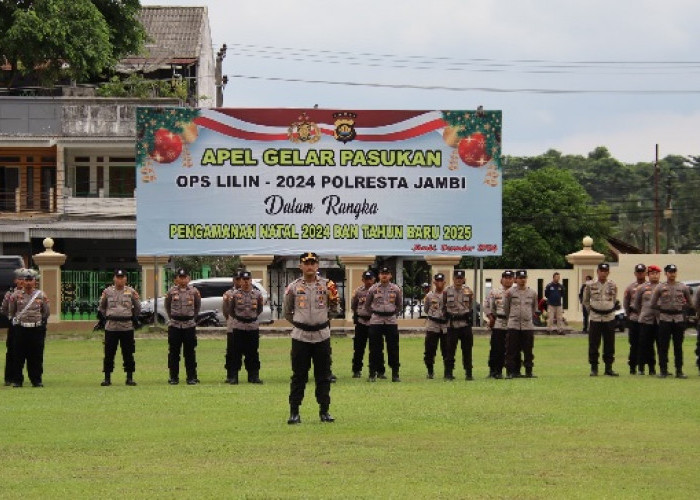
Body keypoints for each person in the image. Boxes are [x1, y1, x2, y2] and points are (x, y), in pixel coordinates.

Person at [284, 252, 339, 424]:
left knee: (323, 375)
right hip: (300, 337)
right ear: (300, 266)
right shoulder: (293, 287)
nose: (309, 266)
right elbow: (287, 312)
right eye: (306, 263)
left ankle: (324, 411)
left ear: (317, 266)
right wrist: (303, 323)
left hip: (322, 336)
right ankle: (294, 412)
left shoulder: (328, 286)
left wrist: (320, 322)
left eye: (312, 263)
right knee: (299, 375)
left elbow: (335, 308)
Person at [98, 269, 141, 386]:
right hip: (111, 327)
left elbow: (137, 307)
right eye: (118, 277)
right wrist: (109, 316)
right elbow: (102, 307)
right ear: (114, 278)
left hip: (126, 327)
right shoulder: (107, 292)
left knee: (128, 353)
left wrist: (132, 317)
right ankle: (107, 378)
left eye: (122, 277)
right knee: (109, 353)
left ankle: (129, 378)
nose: (120, 279)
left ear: (126, 279)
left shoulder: (131, 291)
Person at [7, 269, 49, 387]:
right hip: (21, 329)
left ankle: (36, 380)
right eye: (26, 280)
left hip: (36, 329)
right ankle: (17, 380)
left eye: (31, 280)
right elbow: (12, 311)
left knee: (36, 356)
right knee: (18, 355)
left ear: (35, 281)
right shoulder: (15, 295)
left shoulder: (41, 295)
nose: (29, 283)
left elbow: (46, 312)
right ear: (23, 282)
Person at [649, 264, 691, 378]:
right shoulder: (660, 287)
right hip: (665, 318)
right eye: (670, 272)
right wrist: (663, 309)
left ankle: (679, 370)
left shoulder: (683, 287)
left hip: (678, 319)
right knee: (663, 346)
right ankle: (663, 370)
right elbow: (652, 303)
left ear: (676, 273)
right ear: (665, 273)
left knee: (678, 346)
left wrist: (681, 308)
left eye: (674, 272)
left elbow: (690, 303)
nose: (672, 274)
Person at [223, 270, 264, 385]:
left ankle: (253, 376)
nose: (246, 282)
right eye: (244, 280)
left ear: (251, 280)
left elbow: (259, 309)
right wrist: (240, 319)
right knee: (236, 353)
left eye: (248, 280)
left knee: (253, 352)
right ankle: (234, 377)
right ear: (240, 281)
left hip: (252, 327)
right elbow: (230, 310)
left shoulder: (257, 294)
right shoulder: (234, 295)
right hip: (238, 326)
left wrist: (251, 318)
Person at [365, 266, 403, 382]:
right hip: (376, 320)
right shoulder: (373, 289)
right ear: (379, 275)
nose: (384, 275)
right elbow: (367, 305)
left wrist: (391, 312)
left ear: (390, 275)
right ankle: (372, 373)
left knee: (393, 348)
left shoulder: (396, 289)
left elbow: (399, 305)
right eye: (382, 273)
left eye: (387, 273)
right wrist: (377, 312)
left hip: (391, 321)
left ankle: (395, 374)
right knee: (375, 348)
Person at [164, 268, 201, 385]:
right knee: (174, 352)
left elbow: (197, 307)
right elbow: (167, 306)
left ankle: (191, 377)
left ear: (188, 279)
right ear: (176, 279)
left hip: (189, 325)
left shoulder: (194, 292)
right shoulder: (171, 292)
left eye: (185, 277)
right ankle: (173, 377)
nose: (183, 280)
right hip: (175, 325)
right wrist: (173, 317)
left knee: (190, 352)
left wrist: (191, 318)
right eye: (180, 277)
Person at [583, 263, 619, 377]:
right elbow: (585, 301)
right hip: (595, 317)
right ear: (597, 271)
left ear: (608, 272)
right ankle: (594, 368)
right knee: (594, 343)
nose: (603, 273)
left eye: (606, 271)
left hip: (609, 317)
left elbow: (614, 299)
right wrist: (592, 311)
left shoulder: (613, 285)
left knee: (609, 343)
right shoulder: (590, 285)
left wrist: (608, 308)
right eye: (601, 271)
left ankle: (609, 368)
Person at [503, 269, 538, 378]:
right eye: (520, 278)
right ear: (516, 279)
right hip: (513, 324)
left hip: (527, 325)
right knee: (512, 350)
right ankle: (511, 372)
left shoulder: (532, 293)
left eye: (524, 278)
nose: (522, 280)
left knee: (528, 350)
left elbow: (533, 308)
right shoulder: (510, 292)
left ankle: (529, 371)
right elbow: (506, 308)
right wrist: (512, 318)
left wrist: (527, 317)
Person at [444, 269, 475, 380]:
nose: (459, 280)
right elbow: (444, 306)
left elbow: (471, 306)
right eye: (457, 278)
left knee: (467, 350)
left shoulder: (469, 291)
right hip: (452, 325)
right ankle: (448, 373)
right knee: (450, 350)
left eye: (461, 278)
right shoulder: (447, 291)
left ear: (464, 279)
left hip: (465, 324)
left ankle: (469, 373)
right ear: (453, 279)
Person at [485, 270, 514, 379]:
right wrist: (490, 317)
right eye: (506, 278)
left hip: (512, 324)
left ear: (513, 279)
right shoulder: (494, 292)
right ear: (501, 280)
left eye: (510, 278)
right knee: (496, 348)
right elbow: (486, 305)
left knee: (512, 349)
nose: (508, 280)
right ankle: (494, 371)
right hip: (498, 323)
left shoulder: (516, 292)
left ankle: (512, 372)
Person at [633, 265, 661, 376]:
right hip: (646, 320)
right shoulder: (642, 288)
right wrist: (643, 313)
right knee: (644, 345)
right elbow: (636, 304)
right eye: (652, 273)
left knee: (660, 345)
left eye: (656, 273)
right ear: (648, 275)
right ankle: (641, 368)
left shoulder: (663, 287)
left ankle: (657, 368)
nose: (654, 275)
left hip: (659, 320)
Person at [350, 270, 375, 378]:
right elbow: (353, 306)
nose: (368, 281)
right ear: (363, 280)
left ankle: (376, 370)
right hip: (361, 322)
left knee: (375, 348)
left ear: (374, 279)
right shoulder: (358, 292)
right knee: (359, 348)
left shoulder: (378, 291)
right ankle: (356, 370)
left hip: (374, 322)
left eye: (370, 279)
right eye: (366, 279)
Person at [623, 264, 647, 374]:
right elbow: (626, 303)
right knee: (633, 343)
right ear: (635, 273)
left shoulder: (650, 286)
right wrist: (629, 315)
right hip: (634, 318)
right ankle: (632, 366)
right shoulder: (630, 287)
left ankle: (643, 367)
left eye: (642, 272)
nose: (640, 274)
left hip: (647, 319)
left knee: (645, 343)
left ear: (645, 273)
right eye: (638, 272)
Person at [423, 273, 448, 379]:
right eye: (437, 281)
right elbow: (426, 309)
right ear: (434, 282)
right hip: (432, 325)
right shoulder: (429, 296)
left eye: (441, 280)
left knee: (447, 349)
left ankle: (448, 372)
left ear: (444, 282)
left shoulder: (448, 295)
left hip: (445, 325)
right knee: (430, 349)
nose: (439, 283)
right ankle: (430, 371)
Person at [1, 268, 24, 386]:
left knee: (28, 351)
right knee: (12, 351)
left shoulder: (35, 294)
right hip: (15, 326)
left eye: (24, 279)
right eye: (20, 279)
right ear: (15, 280)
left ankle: (25, 376)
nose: (22, 281)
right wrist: (13, 318)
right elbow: (4, 309)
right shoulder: (10, 294)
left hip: (28, 326)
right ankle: (9, 377)